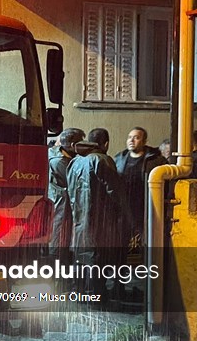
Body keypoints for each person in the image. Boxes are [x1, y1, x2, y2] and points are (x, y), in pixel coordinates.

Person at [66, 128, 130, 297]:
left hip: (79, 220)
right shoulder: (102, 160)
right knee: (97, 259)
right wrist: (124, 215)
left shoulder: (75, 161)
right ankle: (96, 296)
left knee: (81, 259)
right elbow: (115, 192)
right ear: (106, 143)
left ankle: (79, 292)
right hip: (99, 221)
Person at [113, 127, 167, 251]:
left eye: (136, 138)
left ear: (144, 141)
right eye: (129, 137)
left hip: (146, 206)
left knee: (147, 241)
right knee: (122, 242)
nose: (131, 140)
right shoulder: (119, 159)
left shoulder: (155, 160)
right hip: (125, 207)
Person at [48, 127, 85, 261]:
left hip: (57, 206)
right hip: (62, 209)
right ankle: (59, 276)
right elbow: (77, 185)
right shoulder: (62, 162)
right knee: (59, 242)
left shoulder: (52, 153)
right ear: (73, 146)